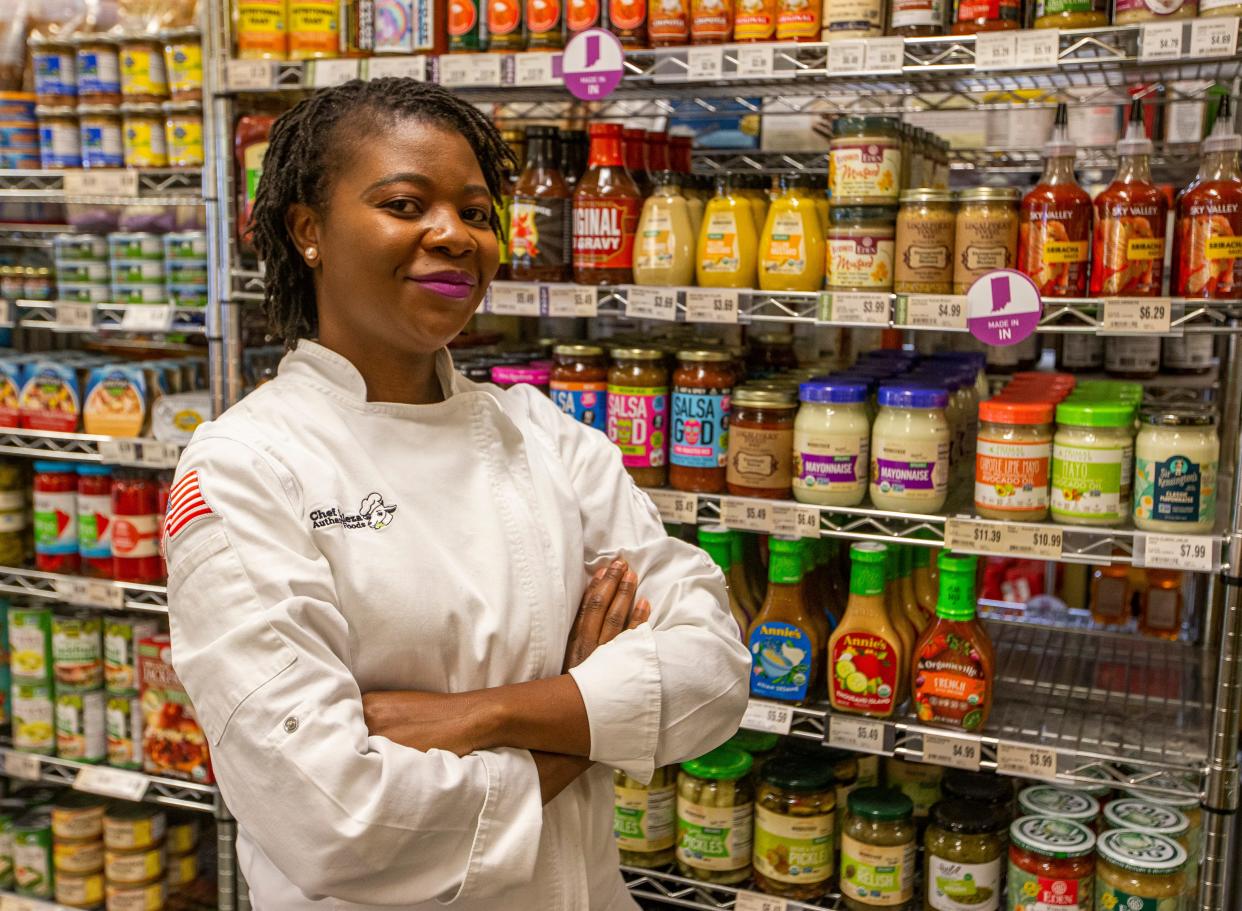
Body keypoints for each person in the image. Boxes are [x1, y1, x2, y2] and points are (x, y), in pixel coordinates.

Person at [163, 78, 750, 910]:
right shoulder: (245, 467)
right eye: (406, 204)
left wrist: (477, 715)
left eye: (477, 212)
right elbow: (340, 819)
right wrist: (594, 718)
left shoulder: (544, 436)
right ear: (308, 232)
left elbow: (713, 669)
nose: (454, 235)